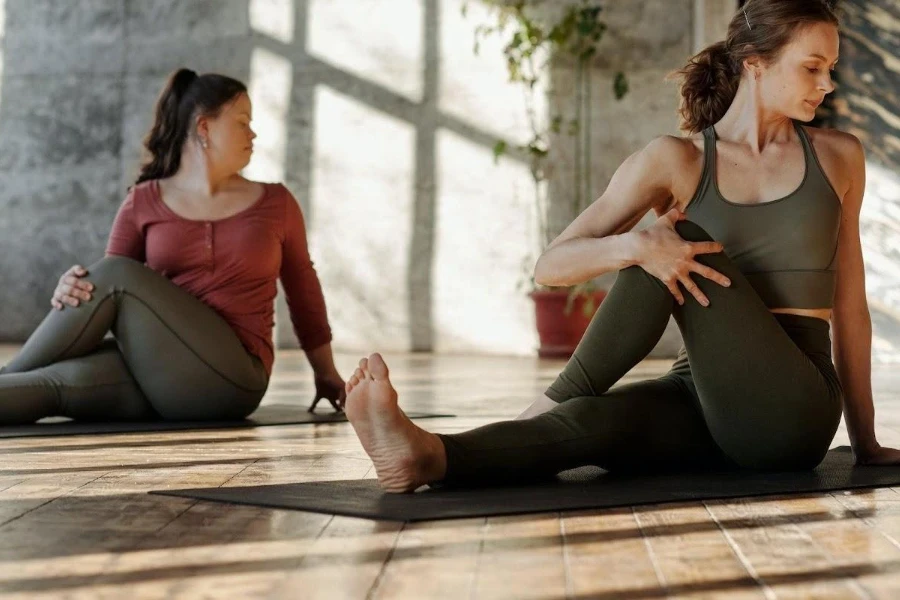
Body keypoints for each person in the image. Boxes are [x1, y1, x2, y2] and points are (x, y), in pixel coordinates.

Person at [340, 0, 900, 493]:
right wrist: (635, 247)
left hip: (791, 411)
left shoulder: (838, 156)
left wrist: (865, 440)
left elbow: (850, 304)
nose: (827, 84)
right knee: (587, 424)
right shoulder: (675, 160)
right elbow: (552, 266)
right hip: (700, 397)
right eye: (811, 68)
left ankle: (546, 401)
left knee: (678, 237)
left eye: (830, 69)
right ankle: (424, 456)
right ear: (755, 64)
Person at [0, 69, 345, 424]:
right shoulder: (143, 201)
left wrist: (326, 373)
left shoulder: (276, 203)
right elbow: (101, 298)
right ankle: (13, 376)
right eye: (242, 122)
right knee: (52, 383)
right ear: (204, 127)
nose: (252, 133)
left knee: (116, 274)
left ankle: (9, 370)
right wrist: (69, 291)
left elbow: (304, 293)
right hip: (161, 372)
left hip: (233, 378)